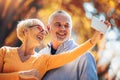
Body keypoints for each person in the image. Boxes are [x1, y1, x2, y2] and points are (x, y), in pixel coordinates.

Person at [0, 18, 108, 80]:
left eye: (44, 31)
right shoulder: (5, 51)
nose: (43, 33)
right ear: (25, 31)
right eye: (39, 28)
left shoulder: (43, 60)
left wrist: (93, 40)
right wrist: (19, 76)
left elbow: (71, 55)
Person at [38, 10, 110, 80]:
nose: (63, 28)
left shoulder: (84, 57)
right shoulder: (40, 55)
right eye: (58, 24)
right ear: (48, 28)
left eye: (67, 25)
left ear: (70, 29)